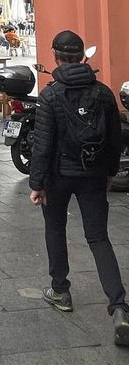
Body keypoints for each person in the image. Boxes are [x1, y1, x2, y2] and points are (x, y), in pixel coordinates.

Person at [29, 29, 129, 346]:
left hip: (59, 174)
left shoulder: (50, 95)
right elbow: (116, 139)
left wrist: (37, 183)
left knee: (55, 228)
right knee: (99, 237)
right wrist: (110, 172)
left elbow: (42, 146)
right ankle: (119, 306)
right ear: (83, 56)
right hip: (94, 173)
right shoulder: (102, 93)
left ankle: (60, 290)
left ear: (56, 57)